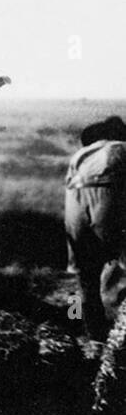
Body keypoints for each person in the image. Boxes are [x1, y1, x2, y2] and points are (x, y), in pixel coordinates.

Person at [65, 116, 126, 341]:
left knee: (79, 276)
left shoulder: (83, 153)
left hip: (75, 199)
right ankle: (119, 334)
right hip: (108, 197)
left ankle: (78, 326)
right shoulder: (121, 147)